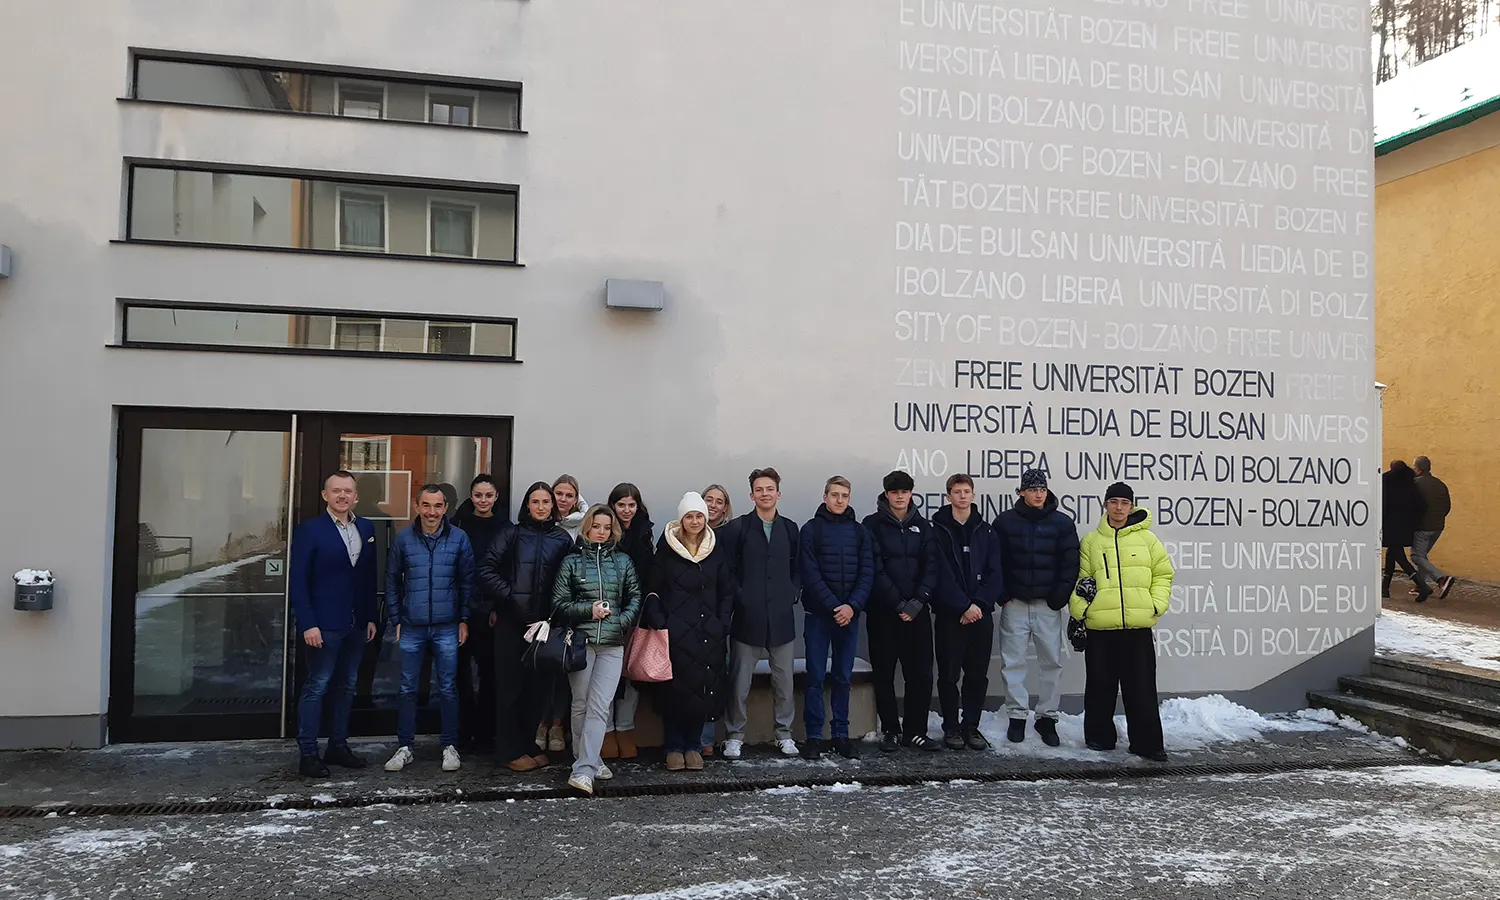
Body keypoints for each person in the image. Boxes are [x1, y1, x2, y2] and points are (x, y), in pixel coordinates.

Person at [1071, 482, 1174, 763]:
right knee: (1099, 686)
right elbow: (1079, 579)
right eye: (1113, 501)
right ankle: (1099, 738)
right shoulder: (1091, 541)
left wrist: (1156, 605)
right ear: (1105, 504)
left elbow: (1163, 574)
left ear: (1132, 506)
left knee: (1141, 687)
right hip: (1100, 627)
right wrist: (1082, 610)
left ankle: (1148, 744)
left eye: (1124, 503)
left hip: (1137, 628)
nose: (1118, 508)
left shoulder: (1148, 540)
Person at [478, 482, 574, 772]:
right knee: (510, 688)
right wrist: (510, 598)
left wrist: (557, 615)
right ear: (527, 505)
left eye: (546, 502)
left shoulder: (561, 539)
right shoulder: (512, 533)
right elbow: (486, 569)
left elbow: (566, 580)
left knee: (537, 690)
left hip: (543, 626)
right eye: (535, 501)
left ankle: (527, 744)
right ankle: (508, 751)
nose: (541, 507)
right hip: (511, 622)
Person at [290, 471, 379, 778]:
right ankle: (308, 753)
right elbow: (298, 582)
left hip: (356, 623)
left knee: (346, 686)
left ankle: (337, 746)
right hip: (323, 624)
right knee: (317, 685)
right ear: (325, 495)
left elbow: (368, 576)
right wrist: (308, 624)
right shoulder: (310, 531)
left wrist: (370, 617)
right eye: (336, 491)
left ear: (355, 496)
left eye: (348, 491)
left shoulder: (365, 527)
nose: (343, 496)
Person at [383, 485, 475, 773]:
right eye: (426, 505)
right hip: (412, 625)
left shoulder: (459, 538)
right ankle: (405, 746)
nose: (431, 512)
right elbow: (391, 580)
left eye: (437, 506)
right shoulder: (403, 539)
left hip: (448, 626)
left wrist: (464, 620)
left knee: (448, 688)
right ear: (417, 506)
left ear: (445, 507)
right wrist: (396, 618)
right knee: (408, 688)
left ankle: (449, 745)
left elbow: (467, 583)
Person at [552, 505, 642, 795]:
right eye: (596, 526)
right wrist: (587, 611)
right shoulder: (571, 562)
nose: (601, 531)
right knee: (580, 704)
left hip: (612, 645)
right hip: (582, 642)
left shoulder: (624, 561)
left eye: (606, 527)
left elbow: (634, 598)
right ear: (587, 527)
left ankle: (583, 769)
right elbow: (559, 604)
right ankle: (589, 758)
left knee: (600, 705)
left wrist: (620, 621)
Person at [646, 492, 735, 771]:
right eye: (689, 516)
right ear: (681, 519)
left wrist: (722, 623)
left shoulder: (715, 549)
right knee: (674, 691)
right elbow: (652, 591)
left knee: (702, 690)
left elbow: (726, 591)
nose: (695, 521)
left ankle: (693, 745)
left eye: (699, 515)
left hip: (708, 634)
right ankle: (673, 746)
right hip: (674, 634)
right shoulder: (666, 550)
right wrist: (662, 622)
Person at [993, 468, 1081, 747]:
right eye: (1032, 489)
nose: (1038, 494)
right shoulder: (1004, 522)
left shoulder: (1062, 523)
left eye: (1042, 489)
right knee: (1013, 662)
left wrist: (1059, 597)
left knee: (1051, 663)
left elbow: (1070, 564)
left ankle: (1047, 717)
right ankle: (1017, 716)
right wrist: (1002, 593)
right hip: (1015, 604)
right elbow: (995, 560)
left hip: (1047, 605)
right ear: (1021, 492)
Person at [722, 468, 802, 759]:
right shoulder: (739, 528)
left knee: (784, 683)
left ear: (778, 493)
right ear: (752, 494)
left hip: (781, 619)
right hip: (747, 618)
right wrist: (741, 596)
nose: (765, 494)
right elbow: (729, 570)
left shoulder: (791, 529)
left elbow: (797, 569)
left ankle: (784, 734)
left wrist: (793, 591)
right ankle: (734, 735)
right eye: (760, 489)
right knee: (739, 684)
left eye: (770, 489)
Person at [862, 470, 942, 753]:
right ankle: (891, 732)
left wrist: (918, 601)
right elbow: (873, 567)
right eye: (894, 491)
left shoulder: (924, 526)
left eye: (904, 491)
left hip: (917, 612)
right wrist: (897, 603)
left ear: (911, 493)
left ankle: (915, 731)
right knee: (884, 673)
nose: (899, 496)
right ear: (886, 494)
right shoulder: (871, 525)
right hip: (884, 612)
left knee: (920, 674)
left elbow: (932, 566)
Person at [797, 476, 874, 760]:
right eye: (834, 495)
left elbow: (868, 572)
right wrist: (834, 606)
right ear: (825, 496)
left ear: (849, 498)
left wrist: (852, 606)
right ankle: (814, 736)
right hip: (819, 616)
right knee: (815, 677)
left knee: (842, 677)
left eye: (844, 495)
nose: (839, 500)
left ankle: (841, 733)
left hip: (850, 617)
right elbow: (810, 573)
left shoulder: (860, 532)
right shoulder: (811, 530)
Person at [930, 473, 1004, 751]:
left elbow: (996, 574)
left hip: (980, 615)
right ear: (948, 496)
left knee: (977, 674)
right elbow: (939, 574)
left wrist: (979, 605)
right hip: (951, 615)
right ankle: (951, 727)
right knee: (949, 675)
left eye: (967, 491)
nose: (962, 496)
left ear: (974, 495)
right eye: (957, 492)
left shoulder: (986, 531)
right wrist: (962, 605)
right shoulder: (937, 530)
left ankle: (971, 726)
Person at [452, 475, 508, 753]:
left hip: (490, 611)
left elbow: (507, 571)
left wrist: (498, 607)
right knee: (459, 673)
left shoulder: (505, 527)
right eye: (478, 495)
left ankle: (486, 733)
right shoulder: (457, 523)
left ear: (496, 496)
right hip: (460, 609)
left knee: (490, 674)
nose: (483, 501)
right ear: (471, 496)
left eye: (488, 495)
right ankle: (462, 731)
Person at [602, 483, 654, 761]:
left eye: (631, 505)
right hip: (609, 616)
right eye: (621, 505)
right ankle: (607, 730)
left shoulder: (645, 531)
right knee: (607, 677)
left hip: (638, 615)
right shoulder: (605, 531)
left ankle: (625, 728)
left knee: (633, 676)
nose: (626, 510)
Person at [540, 474, 588, 752]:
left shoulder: (583, 526)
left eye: (569, 495)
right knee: (542, 667)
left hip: (571, 607)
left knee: (564, 668)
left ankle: (558, 723)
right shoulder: (540, 522)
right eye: (558, 493)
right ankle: (541, 721)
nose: (562, 500)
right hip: (542, 608)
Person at [697, 483, 735, 756]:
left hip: (717, 618)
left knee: (714, 676)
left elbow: (732, 581)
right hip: (688, 620)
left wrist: (723, 619)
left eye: (718, 501)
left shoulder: (730, 537)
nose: (712, 505)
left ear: (725, 507)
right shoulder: (685, 533)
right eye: (707, 499)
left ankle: (706, 738)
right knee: (690, 678)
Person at [1382, 462, 1429, 602]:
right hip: (1405, 528)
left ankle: (1422, 585)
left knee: (1399, 557)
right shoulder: (1411, 485)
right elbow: (1422, 506)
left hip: (1390, 526)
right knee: (1392, 554)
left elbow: (1383, 505)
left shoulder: (1387, 483)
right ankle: (1384, 589)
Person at [1412, 456, 1456, 599]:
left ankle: (1441, 579)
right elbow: (1447, 507)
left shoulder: (1416, 484)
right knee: (1422, 556)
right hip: (1438, 527)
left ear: (1418, 469)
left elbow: (1412, 506)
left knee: (1417, 556)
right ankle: (1421, 585)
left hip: (1423, 527)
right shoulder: (1440, 484)